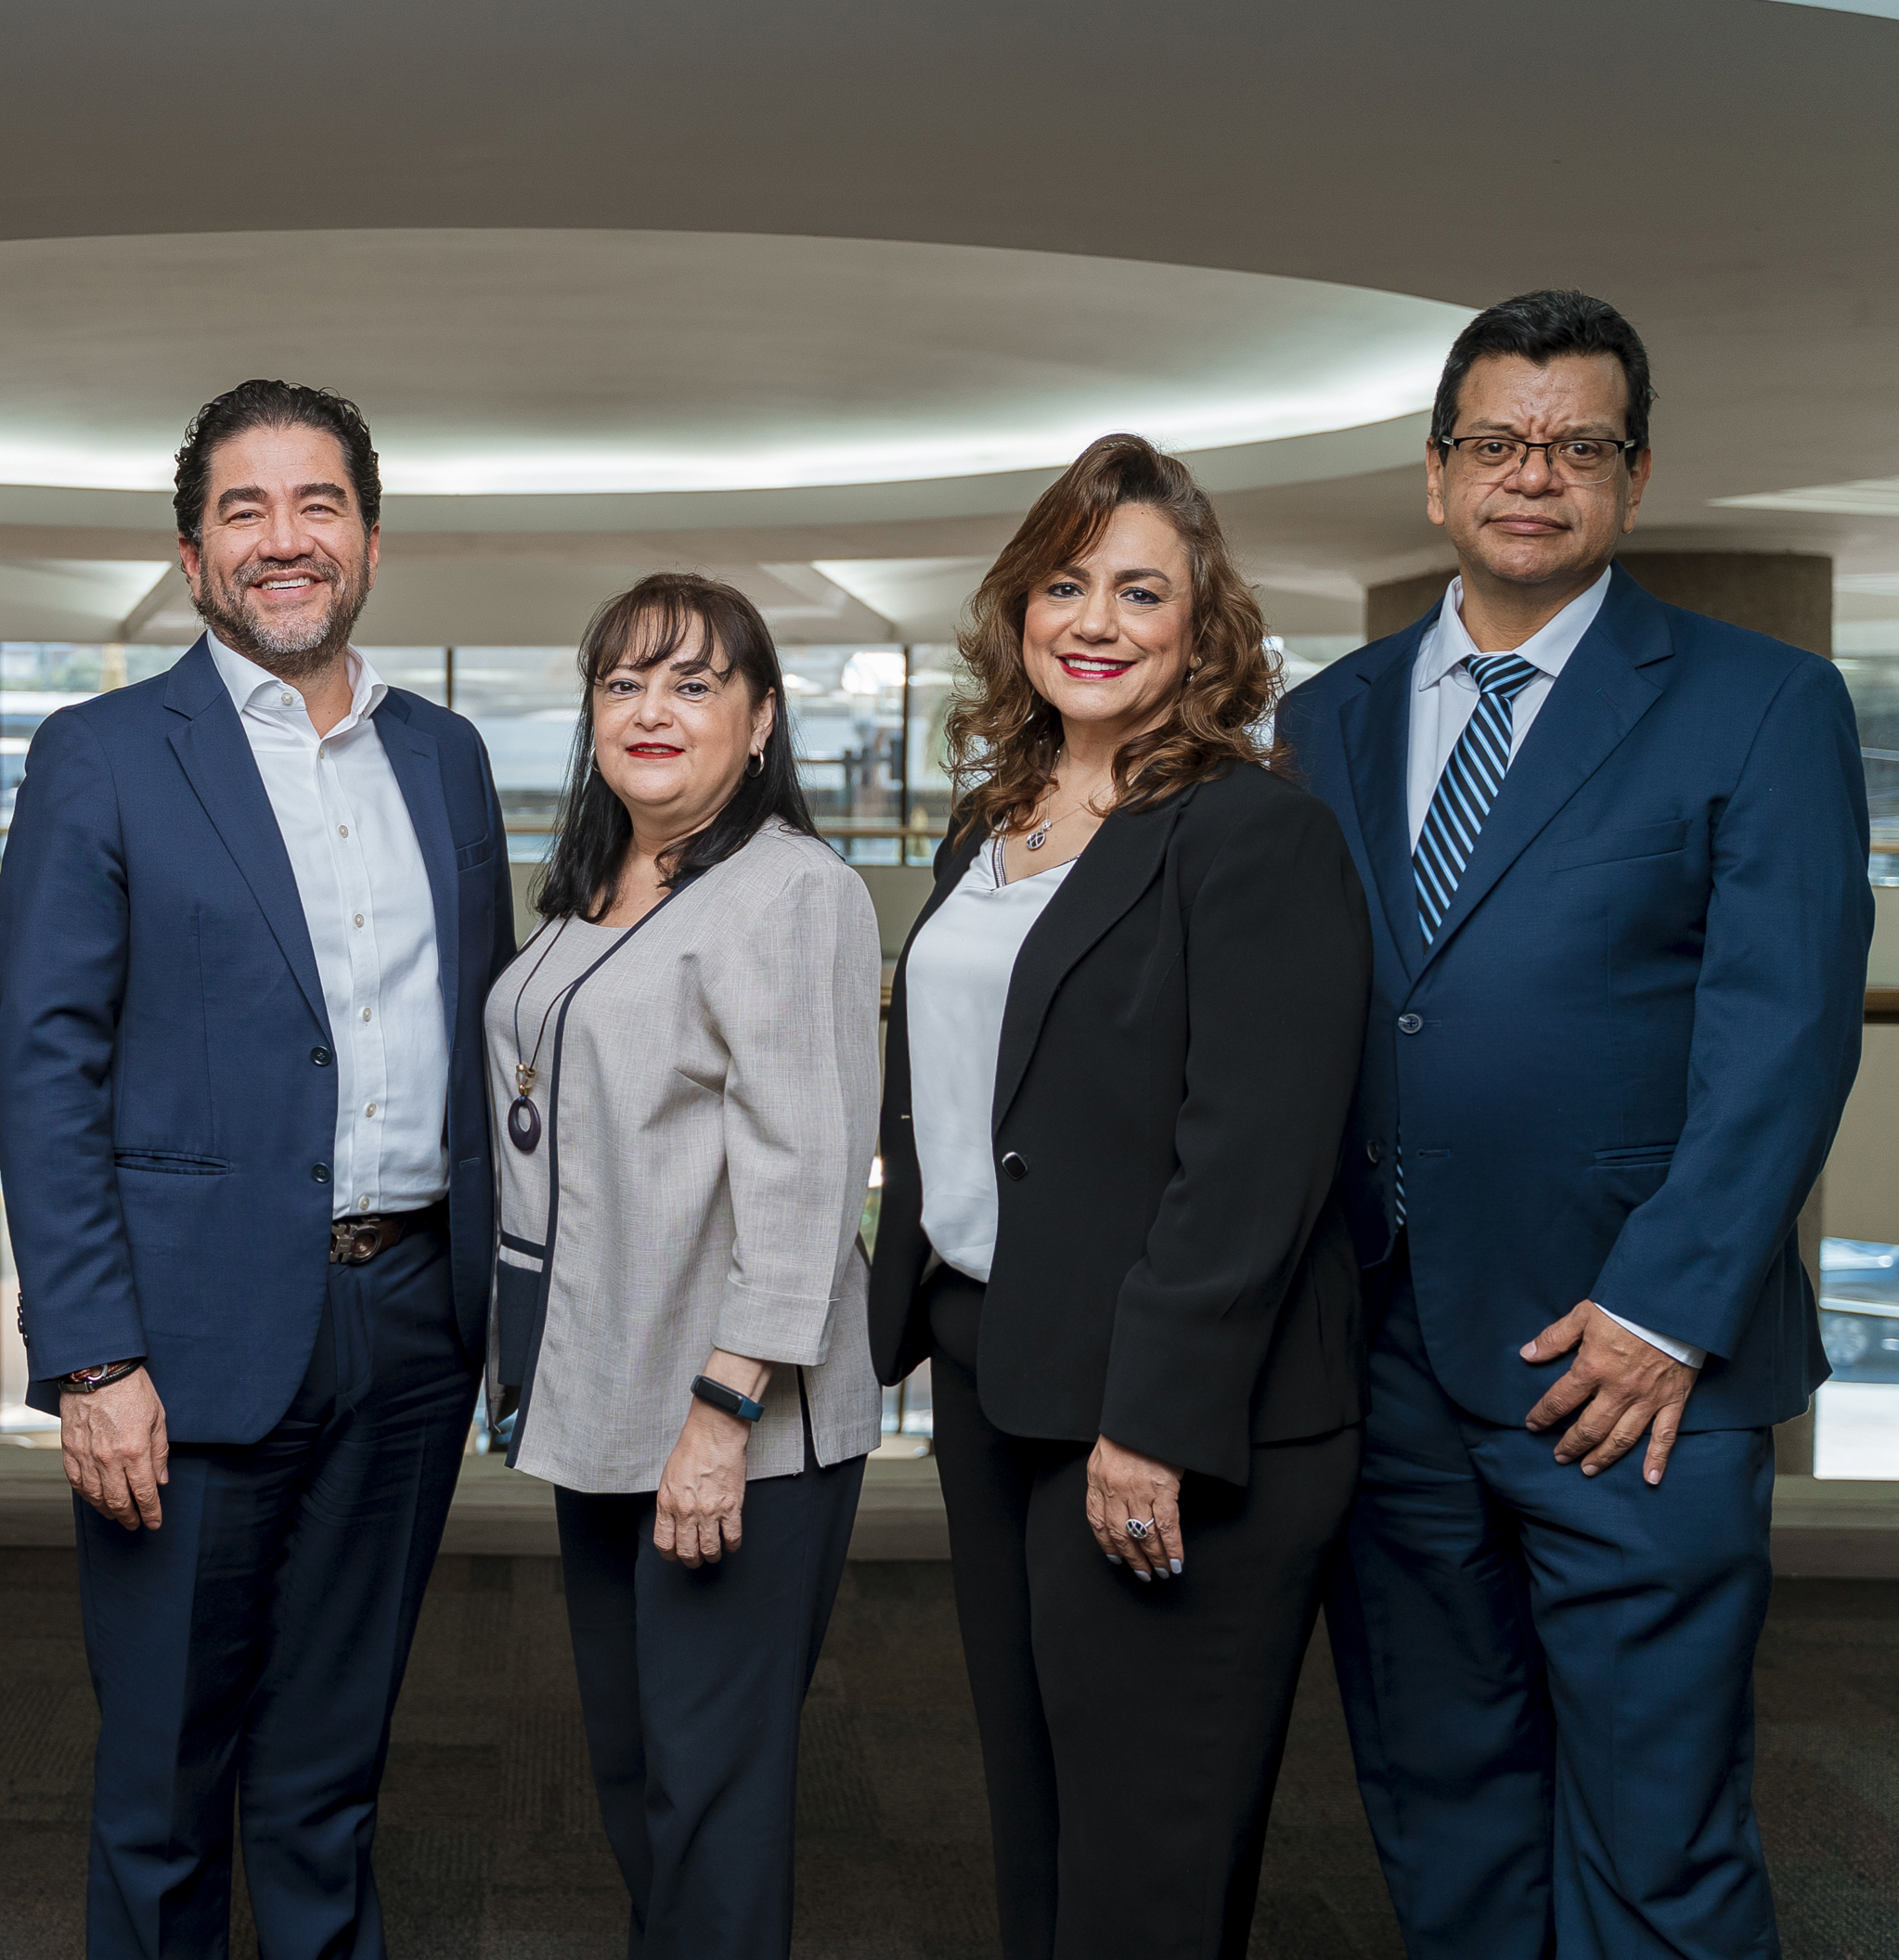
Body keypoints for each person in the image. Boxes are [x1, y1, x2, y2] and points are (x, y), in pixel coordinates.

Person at [1280, 291, 1868, 1959]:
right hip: (1387, 1351)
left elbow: (1786, 1037)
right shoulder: (1327, 716)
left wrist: (1665, 1313)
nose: (1532, 474)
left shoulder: (1762, 702)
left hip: (1631, 1369)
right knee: (1443, 1803)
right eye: (1497, 442)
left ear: (1635, 475)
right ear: (1436, 474)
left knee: (1655, 1832)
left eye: (1579, 445)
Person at [0, 380, 515, 1959]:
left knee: (332, 1774)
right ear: (191, 554)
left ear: (371, 539)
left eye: (318, 505)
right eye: (245, 510)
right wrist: (93, 1357)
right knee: (164, 1785)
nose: (285, 540)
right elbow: (44, 1069)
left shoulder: (447, 757)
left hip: (410, 1329)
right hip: (182, 1344)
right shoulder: (100, 755)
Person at [866, 434, 1372, 1960]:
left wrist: (1150, 1422)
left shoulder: (1254, 832)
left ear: (1202, 627)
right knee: (1038, 1822)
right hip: (996, 1363)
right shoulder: (992, 823)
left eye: (1140, 591)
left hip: (1166, 1407)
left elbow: (1252, 1161)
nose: (1094, 620)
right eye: (1065, 583)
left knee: (1146, 1862)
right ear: (1019, 607)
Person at [487, 573, 879, 1959]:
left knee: (710, 1790)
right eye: (623, 683)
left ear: (761, 721)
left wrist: (722, 1413)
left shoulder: (793, 893)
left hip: (728, 1421)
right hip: (605, 1393)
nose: (652, 710)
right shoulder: (597, 880)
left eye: (694, 683)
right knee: (635, 1765)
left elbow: (806, 1175)